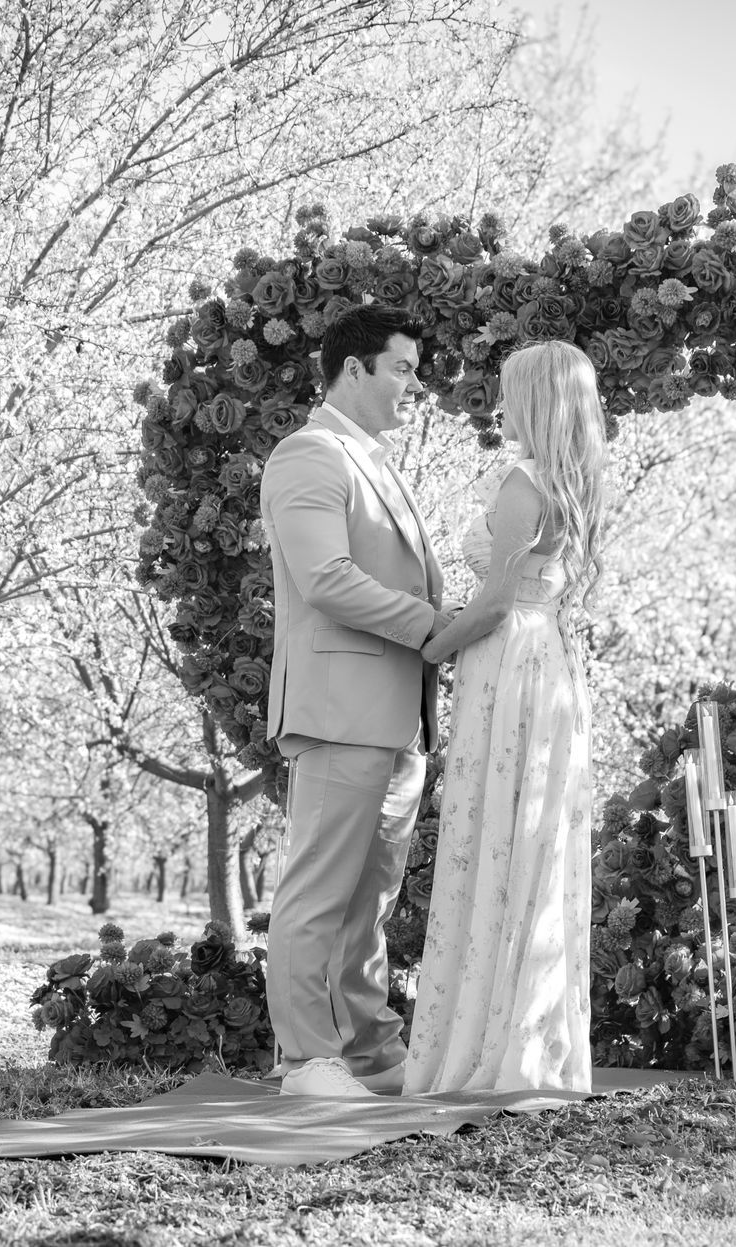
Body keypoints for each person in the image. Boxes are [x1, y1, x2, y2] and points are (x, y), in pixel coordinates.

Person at [258, 305, 454, 1098]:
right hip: (339, 710)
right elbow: (326, 580)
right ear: (353, 369)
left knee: (367, 902)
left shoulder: (373, 460)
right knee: (318, 894)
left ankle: (372, 1054)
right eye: (402, 367)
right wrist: (436, 628)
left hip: (395, 716)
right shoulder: (309, 455)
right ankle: (305, 1060)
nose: (415, 384)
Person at [403, 339, 608, 1095]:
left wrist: (430, 647)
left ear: (537, 399)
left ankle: (498, 1044)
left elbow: (493, 600)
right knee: (524, 834)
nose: (500, 400)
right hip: (540, 653)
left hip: (509, 653)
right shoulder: (569, 479)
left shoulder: (525, 482)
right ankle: (521, 1031)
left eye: (511, 389)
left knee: (503, 829)